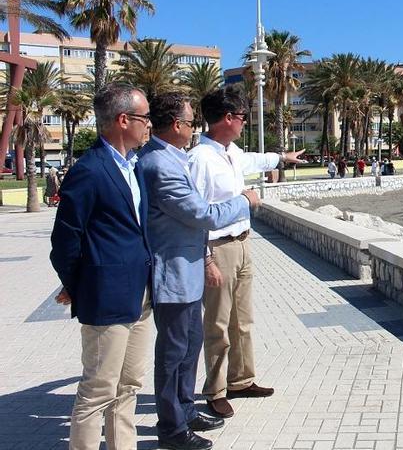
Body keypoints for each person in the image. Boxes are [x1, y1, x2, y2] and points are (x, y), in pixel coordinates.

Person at [139, 92, 261, 449]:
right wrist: (244, 201)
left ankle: (185, 410)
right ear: (177, 125)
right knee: (174, 352)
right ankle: (172, 428)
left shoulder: (172, 158)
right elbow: (202, 214)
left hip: (188, 270)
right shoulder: (161, 164)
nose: (195, 128)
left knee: (189, 345)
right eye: (192, 122)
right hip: (174, 273)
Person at [187, 87, 305, 419]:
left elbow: (253, 159)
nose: (243, 124)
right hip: (218, 247)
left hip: (242, 242)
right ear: (227, 118)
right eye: (241, 118)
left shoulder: (229, 151)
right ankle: (216, 389)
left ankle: (241, 379)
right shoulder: (200, 159)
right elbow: (194, 214)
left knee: (243, 319)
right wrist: (206, 258)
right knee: (218, 323)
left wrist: (284, 158)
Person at [49, 83, 154, 449]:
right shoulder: (90, 170)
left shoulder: (133, 167)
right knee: (97, 390)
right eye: (144, 118)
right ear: (123, 120)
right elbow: (64, 241)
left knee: (129, 386)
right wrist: (79, 286)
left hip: (140, 295)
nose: (149, 125)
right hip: (106, 300)